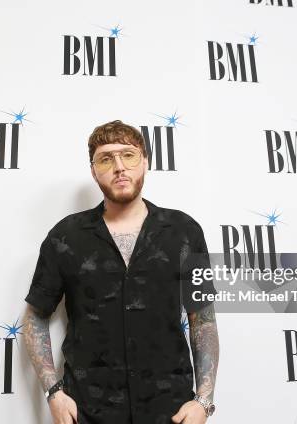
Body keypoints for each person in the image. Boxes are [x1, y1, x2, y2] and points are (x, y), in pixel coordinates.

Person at [22, 120, 219, 424]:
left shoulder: (184, 232)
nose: (119, 167)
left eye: (128, 155)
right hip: (88, 411)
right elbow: (35, 315)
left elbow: (202, 318)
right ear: (93, 170)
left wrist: (204, 401)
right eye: (106, 158)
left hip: (171, 412)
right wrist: (53, 393)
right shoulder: (65, 237)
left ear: (145, 162)